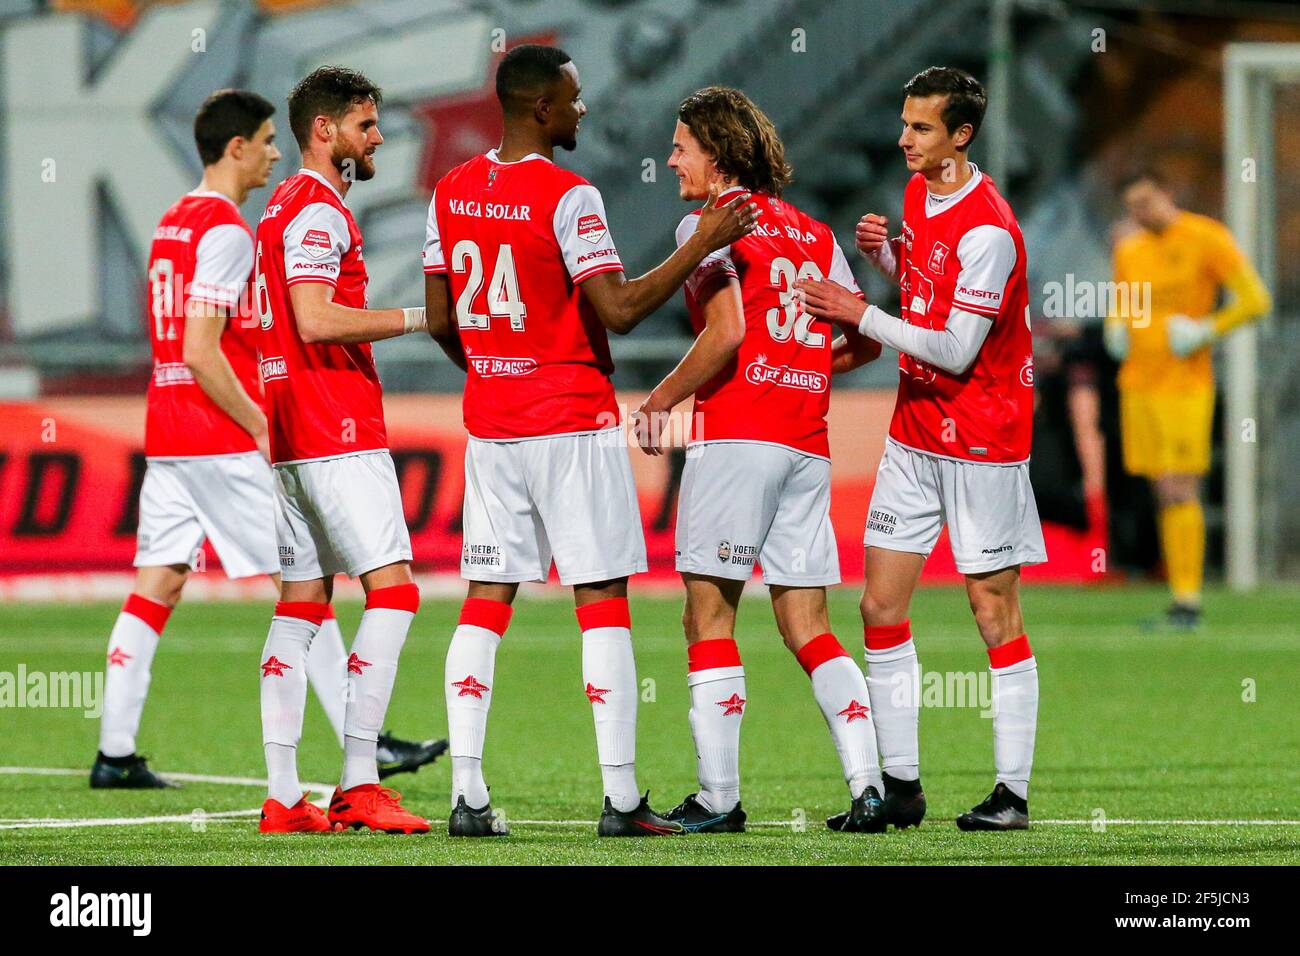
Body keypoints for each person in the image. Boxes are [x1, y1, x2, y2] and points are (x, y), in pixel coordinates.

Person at [422, 44, 758, 837]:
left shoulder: (451, 191)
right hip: (570, 419)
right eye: (572, 98)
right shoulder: (570, 197)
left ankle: (467, 798)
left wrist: (497, 372)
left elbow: (442, 319)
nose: (582, 109)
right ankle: (621, 801)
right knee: (601, 602)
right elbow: (620, 309)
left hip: (493, 425)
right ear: (540, 108)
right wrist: (700, 243)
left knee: (484, 603)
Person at [92, 89, 443, 792]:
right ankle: (360, 743)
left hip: (165, 431)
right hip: (218, 433)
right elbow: (202, 346)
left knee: (157, 583)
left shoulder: (172, 222)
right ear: (236, 148)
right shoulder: (226, 229)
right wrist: (257, 417)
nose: (273, 152)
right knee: (303, 588)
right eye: (263, 140)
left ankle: (115, 749)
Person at [796, 66, 1044, 831]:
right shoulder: (916, 194)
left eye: (922, 128)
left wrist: (856, 310)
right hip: (914, 431)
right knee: (878, 605)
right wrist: (890, 267)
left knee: (991, 609)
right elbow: (931, 302)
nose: (903, 139)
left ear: (961, 136)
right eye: (904, 123)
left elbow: (958, 350)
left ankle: (1011, 793)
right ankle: (900, 786)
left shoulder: (990, 231)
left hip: (982, 438)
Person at [635, 86, 885, 834]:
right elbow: (866, 337)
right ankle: (867, 787)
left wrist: (659, 400)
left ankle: (717, 798)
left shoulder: (708, 225)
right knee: (809, 623)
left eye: (682, 146)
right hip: (805, 445)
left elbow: (726, 334)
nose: (672, 158)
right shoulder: (814, 232)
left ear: (717, 156)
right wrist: (803, 364)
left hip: (738, 435)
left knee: (707, 614)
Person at [254, 67, 435, 834]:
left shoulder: (278, 208)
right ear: (323, 130)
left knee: (302, 604)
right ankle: (360, 779)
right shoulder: (319, 212)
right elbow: (319, 320)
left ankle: (284, 796)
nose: (378, 136)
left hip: (291, 427)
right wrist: (424, 318)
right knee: (393, 592)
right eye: (365, 124)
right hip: (336, 425)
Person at [1104, 170, 1270, 630]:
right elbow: (1124, 301)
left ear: (1168, 193)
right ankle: (1181, 601)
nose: (1141, 213)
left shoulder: (1206, 237)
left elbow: (1255, 299)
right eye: (1133, 206)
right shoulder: (1129, 248)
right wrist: (1116, 326)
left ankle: (1189, 600)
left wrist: (1206, 329)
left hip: (1185, 384)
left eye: (1147, 202)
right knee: (1163, 489)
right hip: (1138, 382)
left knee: (1181, 485)